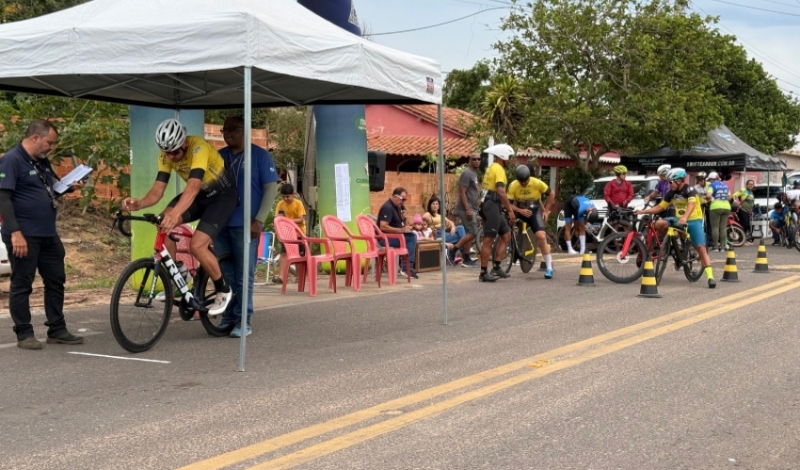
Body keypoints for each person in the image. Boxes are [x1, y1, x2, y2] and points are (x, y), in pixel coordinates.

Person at [123, 118, 236, 315]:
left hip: (222, 197)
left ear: (184, 142)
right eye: (167, 152)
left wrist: (175, 215)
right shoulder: (166, 156)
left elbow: (192, 187)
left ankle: (223, 289)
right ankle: (178, 274)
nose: (172, 157)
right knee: (161, 223)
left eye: (175, 151)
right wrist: (139, 203)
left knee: (197, 245)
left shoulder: (198, 147)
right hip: (200, 196)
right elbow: (158, 190)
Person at [0, 119, 85, 349]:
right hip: (23, 234)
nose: (51, 147)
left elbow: (49, 192)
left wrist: (69, 187)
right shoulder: (11, 160)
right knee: (23, 283)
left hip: (47, 233)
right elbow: (3, 198)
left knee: (56, 280)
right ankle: (24, 333)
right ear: (35, 137)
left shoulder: (42, 162)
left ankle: (57, 329)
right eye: (49, 142)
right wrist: (15, 232)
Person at [213, 116, 280, 338]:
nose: (227, 133)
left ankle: (244, 320)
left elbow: (271, 189)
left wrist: (259, 220)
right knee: (226, 273)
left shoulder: (259, 156)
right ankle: (229, 317)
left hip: (246, 224)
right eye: (225, 129)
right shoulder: (219, 156)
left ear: (245, 131)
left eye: (233, 129)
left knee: (244, 275)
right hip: (220, 223)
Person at [636, 168, 716, 288]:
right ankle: (671, 244)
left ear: (679, 181)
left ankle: (710, 277)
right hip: (678, 220)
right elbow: (660, 207)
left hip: (694, 220)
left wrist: (684, 218)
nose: (669, 184)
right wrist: (642, 211)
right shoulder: (671, 193)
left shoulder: (690, 190)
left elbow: (692, 204)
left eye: (671, 182)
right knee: (658, 224)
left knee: (701, 248)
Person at [507, 163, 557, 278]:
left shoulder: (537, 183)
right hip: (519, 209)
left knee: (541, 236)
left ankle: (549, 267)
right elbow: (508, 204)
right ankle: (507, 255)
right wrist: (519, 210)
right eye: (521, 181)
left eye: (525, 181)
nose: (524, 183)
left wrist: (546, 210)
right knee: (504, 227)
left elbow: (551, 194)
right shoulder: (513, 185)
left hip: (534, 211)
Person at [478, 144, 517, 282]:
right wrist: (510, 210)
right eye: (510, 157)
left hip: (492, 204)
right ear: (503, 156)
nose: (511, 160)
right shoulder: (499, 169)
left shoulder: (493, 167)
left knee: (506, 235)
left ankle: (497, 266)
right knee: (488, 240)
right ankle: (483, 272)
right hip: (491, 204)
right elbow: (501, 192)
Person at [378, 187, 418, 279]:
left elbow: (404, 224)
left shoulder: (397, 207)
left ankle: (407, 267)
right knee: (411, 238)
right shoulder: (388, 207)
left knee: (412, 236)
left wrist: (405, 218)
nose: (403, 202)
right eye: (402, 199)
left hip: (395, 236)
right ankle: (407, 268)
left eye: (405, 200)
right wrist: (401, 231)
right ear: (395, 197)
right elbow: (383, 226)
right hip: (384, 239)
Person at [275, 183, 307, 281]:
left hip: (298, 233)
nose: (285, 199)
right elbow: (277, 218)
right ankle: (281, 276)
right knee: (284, 254)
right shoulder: (280, 204)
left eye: (288, 196)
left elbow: (301, 219)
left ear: (292, 194)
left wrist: (288, 221)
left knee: (299, 256)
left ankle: (299, 276)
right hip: (287, 234)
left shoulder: (298, 203)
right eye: (284, 197)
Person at [454, 153, 481, 267]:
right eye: (474, 159)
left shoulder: (474, 173)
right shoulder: (467, 173)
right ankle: (453, 250)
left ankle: (466, 258)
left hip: (472, 207)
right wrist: (468, 209)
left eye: (478, 159)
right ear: (469, 160)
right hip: (466, 208)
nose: (476, 161)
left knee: (469, 233)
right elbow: (462, 192)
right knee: (473, 233)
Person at [423, 195, 465, 265]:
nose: (435, 206)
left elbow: (450, 222)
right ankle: (465, 254)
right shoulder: (428, 214)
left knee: (460, 229)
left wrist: (453, 227)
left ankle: (460, 254)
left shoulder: (440, 215)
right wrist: (426, 224)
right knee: (461, 236)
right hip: (437, 234)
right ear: (430, 205)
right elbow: (420, 221)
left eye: (437, 204)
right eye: (433, 204)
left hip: (445, 233)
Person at [705, 171, 731, 252]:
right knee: (723, 227)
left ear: (712, 179)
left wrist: (710, 199)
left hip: (715, 206)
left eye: (709, 180)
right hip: (726, 206)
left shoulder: (712, 185)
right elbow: (729, 197)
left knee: (715, 227)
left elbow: (708, 196)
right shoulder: (725, 185)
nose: (709, 181)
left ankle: (716, 247)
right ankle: (723, 247)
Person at [733, 179, 755, 246]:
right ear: (746, 185)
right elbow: (734, 195)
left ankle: (744, 239)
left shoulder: (751, 192)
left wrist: (751, 210)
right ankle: (741, 240)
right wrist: (737, 203)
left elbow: (751, 202)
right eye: (749, 184)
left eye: (752, 184)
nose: (751, 185)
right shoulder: (743, 190)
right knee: (744, 225)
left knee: (747, 225)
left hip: (748, 211)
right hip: (742, 210)